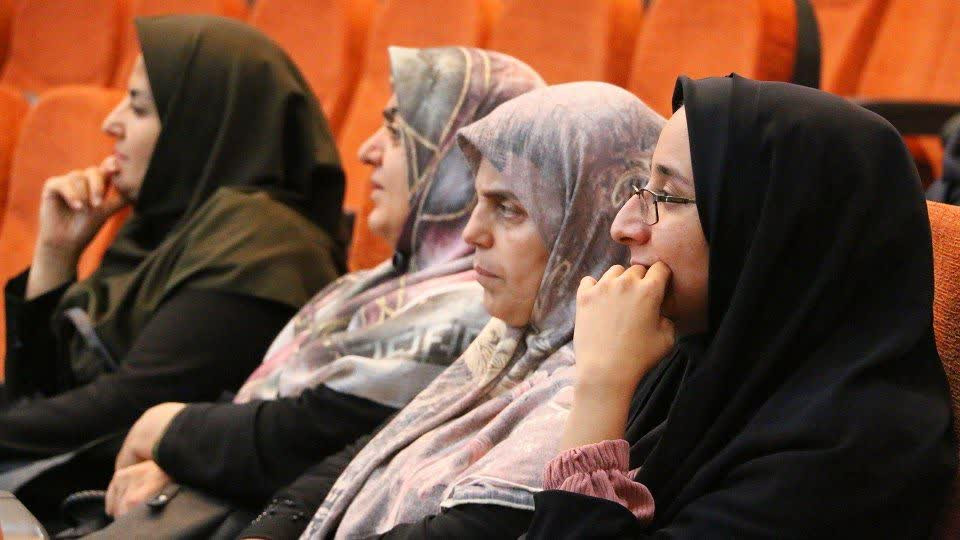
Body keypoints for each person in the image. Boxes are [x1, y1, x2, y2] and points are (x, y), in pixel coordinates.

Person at [99, 47, 546, 538]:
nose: (367, 150)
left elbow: (302, 443)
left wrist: (169, 434)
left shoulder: (481, 310)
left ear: (456, 166)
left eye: (396, 132)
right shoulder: (377, 286)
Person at [527, 74, 957, 538]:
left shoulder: (850, 453)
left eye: (667, 197)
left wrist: (601, 387)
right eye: (642, 189)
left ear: (774, 232)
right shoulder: (701, 358)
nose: (623, 226)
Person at [297, 82, 664, 539]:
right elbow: (367, 452)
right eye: (477, 201)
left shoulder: (598, 393)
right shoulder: (508, 340)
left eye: (508, 208)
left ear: (587, 225)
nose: (472, 232)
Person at [0, 13, 346, 490]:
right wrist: (55, 254)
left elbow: (124, 407)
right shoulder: (170, 227)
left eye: (139, 108)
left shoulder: (265, 244)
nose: (111, 123)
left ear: (202, 124)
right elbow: (37, 397)